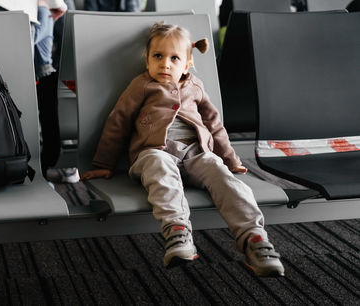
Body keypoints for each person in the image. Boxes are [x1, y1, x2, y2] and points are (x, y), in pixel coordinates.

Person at [80, 22, 284, 276]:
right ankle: (177, 232)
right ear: (147, 61)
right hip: (155, 151)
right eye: (158, 56)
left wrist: (230, 160)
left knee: (222, 175)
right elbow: (117, 121)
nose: (165, 64)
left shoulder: (195, 87)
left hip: (195, 153)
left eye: (174, 58)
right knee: (160, 168)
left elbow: (215, 125)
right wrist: (103, 164)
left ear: (187, 64)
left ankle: (255, 239)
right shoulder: (142, 85)